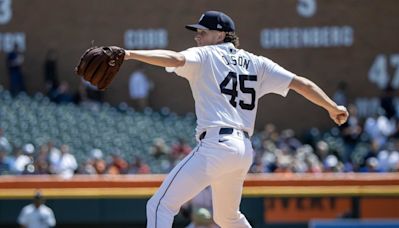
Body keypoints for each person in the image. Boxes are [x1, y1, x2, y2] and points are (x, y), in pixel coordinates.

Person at [122, 11, 349, 228]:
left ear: (220, 35)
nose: (197, 36)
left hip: (216, 145)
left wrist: (129, 54)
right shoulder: (257, 62)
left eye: (203, 32)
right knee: (227, 217)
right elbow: (302, 84)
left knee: (160, 205)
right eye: (197, 32)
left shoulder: (206, 54)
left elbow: (174, 58)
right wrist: (332, 106)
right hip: (243, 149)